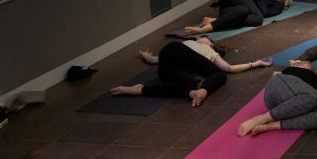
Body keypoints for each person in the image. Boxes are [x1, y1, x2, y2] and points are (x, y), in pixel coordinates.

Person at [110, 39, 271, 107]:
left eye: (207, 40)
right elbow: (227, 69)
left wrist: (146, 56)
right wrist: (255, 63)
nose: (204, 39)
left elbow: (154, 60)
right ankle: (204, 90)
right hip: (174, 50)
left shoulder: (209, 50)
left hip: (167, 68)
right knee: (219, 75)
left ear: (211, 45)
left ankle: (140, 89)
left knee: (188, 85)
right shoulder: (196, 46)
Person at [237, 59, 317, 136]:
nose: (301, 62)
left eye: (305, 62)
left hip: (295, 104)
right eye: (298, 62)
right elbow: (275, 75)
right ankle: (262, 118)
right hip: (278, 88)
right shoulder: (287, 72)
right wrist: (295, 65)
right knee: (313, 96)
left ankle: (272, 125)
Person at [184, 0, 293, 34]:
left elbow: (265, 12)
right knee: (258, 19)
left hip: (231, 10)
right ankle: (205, 29)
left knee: (246, 12)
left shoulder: (277, 4)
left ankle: (214, 21)